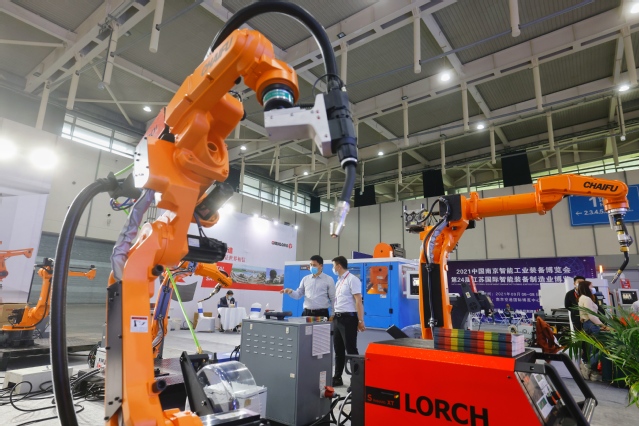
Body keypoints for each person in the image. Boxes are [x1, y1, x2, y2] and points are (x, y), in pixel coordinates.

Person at [331, 256, 365, 387]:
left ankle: (356, 382)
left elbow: (358, 301)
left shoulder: (352, 279)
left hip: (348, 319)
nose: (333, 268)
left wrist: (360, 320)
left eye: (333, 265)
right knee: (338, 349)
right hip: (337, 318)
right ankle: (337, 377)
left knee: (351, 350)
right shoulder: (339, 281)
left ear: (339, 266)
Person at [577, 280, 608, 382]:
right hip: (592, 324)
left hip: (586, 324)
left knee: (592, 349)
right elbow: (591, 315)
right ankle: (588, 366)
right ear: (587, 288)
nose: (593, 288)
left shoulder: (581, 298)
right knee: (598, 349)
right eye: (591, 286)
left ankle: (593, 373)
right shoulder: (587, 299)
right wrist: (603, 325)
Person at [564, 275, 588, 366]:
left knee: (589, 338)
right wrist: (575, 310)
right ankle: (581, 358)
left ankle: (588, 358)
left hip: (588, 319)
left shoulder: (587, 293)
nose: (580, 284)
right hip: (576, 319)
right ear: (574, 283)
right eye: (579, 282)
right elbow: (567, 305)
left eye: (582, 282)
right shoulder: (570, 294)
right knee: (579, 338)